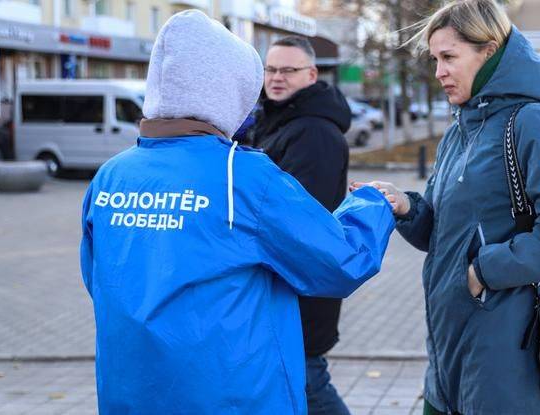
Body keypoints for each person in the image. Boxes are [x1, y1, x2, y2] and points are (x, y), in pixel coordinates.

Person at [79, 10, 395, 414]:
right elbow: (341, 262)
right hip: (234, 393)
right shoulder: (243, 175)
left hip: (131, 391)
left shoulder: (111, 175)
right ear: (229, 89)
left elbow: (100, 278)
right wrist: (375, 203)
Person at [352, 1, 540, 413]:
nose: (439, 71)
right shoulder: (459, 130)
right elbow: (442, 233)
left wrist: (485, 270)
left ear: (489, 50)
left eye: (449, 57)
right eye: (435, 59)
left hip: (503, 356)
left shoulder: (531, 122)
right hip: (446, 357)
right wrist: (406, 206)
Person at [247, 35, 353, 415]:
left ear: (311, 74)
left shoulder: (313, 132)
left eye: (288, 70)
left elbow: (298, 221)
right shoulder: (274, 121)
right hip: (284, 283)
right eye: (271, 69)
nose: (276, 78)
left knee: (308, 381)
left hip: (301, 286)